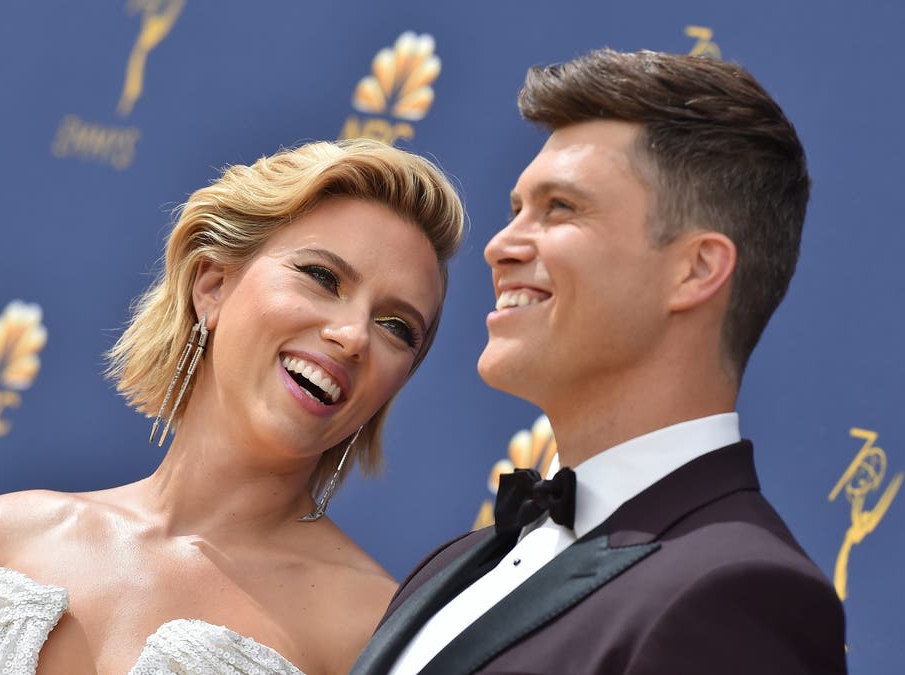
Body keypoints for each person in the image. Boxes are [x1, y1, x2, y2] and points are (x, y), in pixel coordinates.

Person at [0, 139, 466, 675]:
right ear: (211, 285)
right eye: (322, 276)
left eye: (396, 327)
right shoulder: (2, 533)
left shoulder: (375, 631)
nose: (353, 334)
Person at [352, 49, 847, 674]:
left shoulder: (737, 592)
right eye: (515, 210)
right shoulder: (457, 563)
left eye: (560, 208)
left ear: (695, 270)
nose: (499, 247)